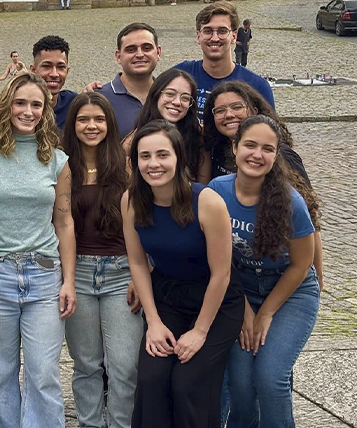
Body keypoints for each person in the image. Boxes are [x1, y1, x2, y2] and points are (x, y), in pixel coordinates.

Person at [0, 72, 76, 428]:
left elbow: (64, 222)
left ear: (45, 111)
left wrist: (69, 280)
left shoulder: (58, 161)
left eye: (36, 105)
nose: (28, 111)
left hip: (44, 275)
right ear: (7, 106)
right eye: (20, 103)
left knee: (44, 374)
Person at [121, 120, 244, 428]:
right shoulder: (131, 201)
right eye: (145, 156)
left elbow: (221, 274)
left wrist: (200, 332)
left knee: (188, 383)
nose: (154, 164)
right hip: (168, 296)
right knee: (151, 379)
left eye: (163, 154)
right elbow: (138, 263)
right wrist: (153, 323)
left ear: (178, 157)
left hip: (216, 301)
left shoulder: (207, 202)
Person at [208, 115, 319, 428]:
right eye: (250, 145)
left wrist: (266, 313)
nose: (257, 155)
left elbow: (302, 264)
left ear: (276, 155)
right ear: (235, 147)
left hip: (290, 292)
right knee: (241, 386)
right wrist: (244, 310)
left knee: (270, 378)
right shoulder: (217, 192)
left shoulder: (291, 202)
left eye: (267, 149)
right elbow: (216, 260)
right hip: (238, 289)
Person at [62, 92, 143, 428]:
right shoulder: (61, 165)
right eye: (83, 119)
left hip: (121, 272)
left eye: (98, 119)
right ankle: (90, 423)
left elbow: (142, 224)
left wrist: (140, 274)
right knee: (86, 364)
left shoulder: (126, 166)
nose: (91, 126)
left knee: (124, 366)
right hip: (77, 272)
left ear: (109, 124)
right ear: (72, 124)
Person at [202, 81, 323, 290]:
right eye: (220, 110)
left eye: (237, 107)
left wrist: (318, 275)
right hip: (239, 269)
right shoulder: (217, 152)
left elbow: (309, 218)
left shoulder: (282, 156)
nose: (229, 114)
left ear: (254, 110)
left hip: (280, 266)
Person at [173, 2, 274, 119]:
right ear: (198, 36)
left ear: (234, 36)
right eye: (207, 31)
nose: (215, 38)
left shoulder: (258, 87)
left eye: (222, 31)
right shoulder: (179, 75)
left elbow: (270, 129)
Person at [125, 68, 212, 183]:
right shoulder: (132, 142)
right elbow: (132, 186)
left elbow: (203, 184)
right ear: (156, 94)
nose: (177, 102)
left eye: (185, 98)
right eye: (170, 94)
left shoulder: (198, 135)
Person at [98, 23, 160, 137]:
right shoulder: (100, 98)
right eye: (131, 50)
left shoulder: (169, 96)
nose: (140, 54)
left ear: (158, 52)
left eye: (147, 48)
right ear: (118, 56)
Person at [30, 35, 77, 131]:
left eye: (61, 67)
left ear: (67, 71)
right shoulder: (17, 109)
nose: (54, 74)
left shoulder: (73, 104)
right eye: (46, 66)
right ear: (33, 70)